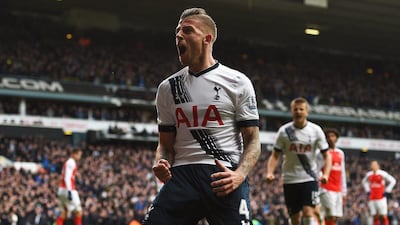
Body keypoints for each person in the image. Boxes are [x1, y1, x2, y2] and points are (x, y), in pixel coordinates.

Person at [142, 7, 261, 225]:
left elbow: (253, 140)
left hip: (223, 175)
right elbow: (165, 145)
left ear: (207, 39)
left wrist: (240, 175)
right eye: (177, 31)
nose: (178, 35)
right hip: (182, 177)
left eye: (187, 30)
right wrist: (162, 162)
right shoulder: (168, 88)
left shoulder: (237, 82)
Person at [266, 97, 332, 225]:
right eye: (295, 109)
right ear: (291, 111)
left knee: (308, 212)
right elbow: (275, 155)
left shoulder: (316, 130)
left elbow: (327, 155)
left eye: (301, 109)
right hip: (290, 179)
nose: (298, 112)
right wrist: (270, 172)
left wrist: (326, 174)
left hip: (309, 177)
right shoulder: (284, 131)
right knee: (295, 218)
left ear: (307, 112)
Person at [318, 128, 347, 225]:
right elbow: (317, 168)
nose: (330, 138)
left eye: (333, 136)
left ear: (337, 138)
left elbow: (342, 173)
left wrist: (344, 191)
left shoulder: (340, 153)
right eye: (328, 136)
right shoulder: (322, 153)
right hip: (326, 189)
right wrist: (321, 176)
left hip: (337, 189)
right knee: (330, 215)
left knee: (335, 218)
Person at [362, 160, 396, 225]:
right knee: (375, 216)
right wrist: (368, 190)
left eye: (374, 164)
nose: (373, 166)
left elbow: (393, 181)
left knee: (383, 216)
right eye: (372, 165)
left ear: (378, 166)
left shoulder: (382, 173)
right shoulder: (369, 174)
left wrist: (387, 191)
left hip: (381, 198)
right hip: (372, 198)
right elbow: (364, 182)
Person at [56, 148, 83, 225]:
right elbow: (67, 177)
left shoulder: (68, 163)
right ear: (74, 154)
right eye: (79, 155)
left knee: (64, 212)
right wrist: (69, 191)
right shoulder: (71, 162)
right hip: (68, 189)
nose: (80, 157)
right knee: (79, 211)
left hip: (61, 189)